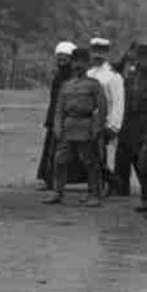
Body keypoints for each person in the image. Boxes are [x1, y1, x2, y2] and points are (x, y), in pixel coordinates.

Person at [42, 47, 108, 207]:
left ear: (87, 64)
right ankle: (57, 192)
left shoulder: (94, 85)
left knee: (90, 162)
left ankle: (94, 194)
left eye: (81, 62)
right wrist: (58, 127)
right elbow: (59, 108)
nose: (78, 66)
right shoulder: (66, 85)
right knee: (59, 160)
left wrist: (97, 127)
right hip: (67, 127)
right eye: (76, 62)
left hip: (86, 127)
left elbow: (103, 108)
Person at [116, 43, 147, 203]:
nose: (143, 62)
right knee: (128, 157)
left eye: (146, 59)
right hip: (128, 121)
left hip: (146, 121)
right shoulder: (130, 78)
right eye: (140, 59)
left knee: (145, 161)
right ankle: (130, 192)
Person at [86, 37, 124, 196]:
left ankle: (109, 187)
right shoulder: (88, 73)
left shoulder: (114, 76)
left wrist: (114, 126)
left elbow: (118, 102)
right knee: (91, 157)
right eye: (95, 51)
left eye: (101, 52)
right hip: (89, 122)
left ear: (106, 53)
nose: (97, 55)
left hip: (106, 123)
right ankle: (95, 188)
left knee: (108, 158)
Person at [35, 41, 75, 191]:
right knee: (51, 149)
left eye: (65, 60)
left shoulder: (72, 77)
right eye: (59, 59)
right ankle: (49, 179)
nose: (61, 63)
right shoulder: (58, 76)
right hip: (54, 118)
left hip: (67, 119)